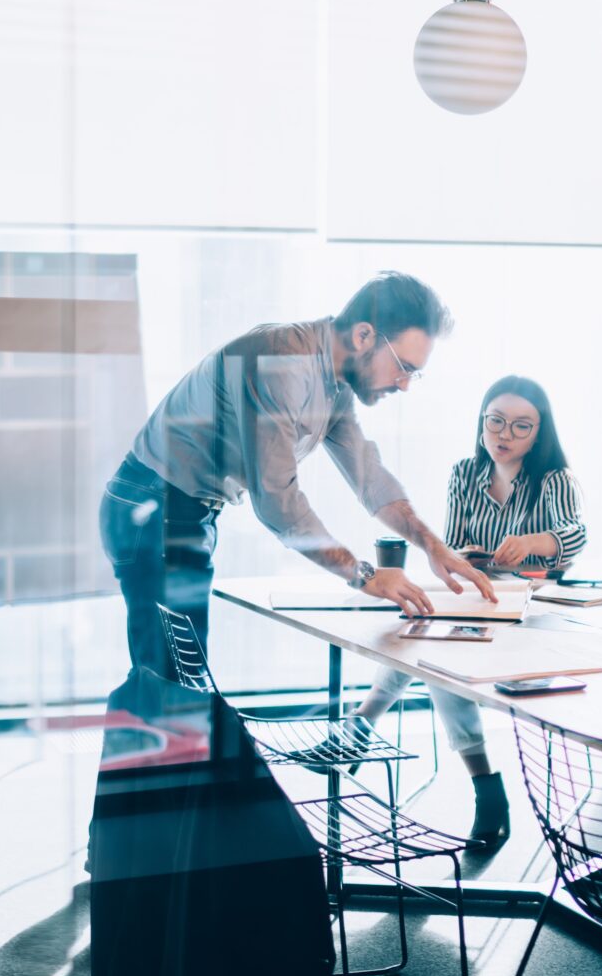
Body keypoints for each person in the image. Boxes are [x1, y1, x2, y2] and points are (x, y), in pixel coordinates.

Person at [100, 271, 496, 712]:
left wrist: (432, 545)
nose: (403, 385)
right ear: (365, 336)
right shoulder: (280, 361)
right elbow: (277, 502)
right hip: (150, 508)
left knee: (182, 688)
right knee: (169, 689)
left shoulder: (336, 384)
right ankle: (151, 777)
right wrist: (364, 575)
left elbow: (369, 475)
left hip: (188, 513)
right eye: (404, 368)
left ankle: (172, 774)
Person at [352, 375, 586, 850]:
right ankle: (484, 789)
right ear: (482, 422)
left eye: (522, 427)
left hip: (531, 607)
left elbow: (575, 536)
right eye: (495, 421)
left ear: (539, 434)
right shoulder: (464, 473)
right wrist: (466, 554)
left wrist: (534, 544)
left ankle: (361, 727)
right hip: (477, 597)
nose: (505, 434)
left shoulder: (554, 479)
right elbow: (451, 544)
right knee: (431, 646)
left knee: (435, 649)